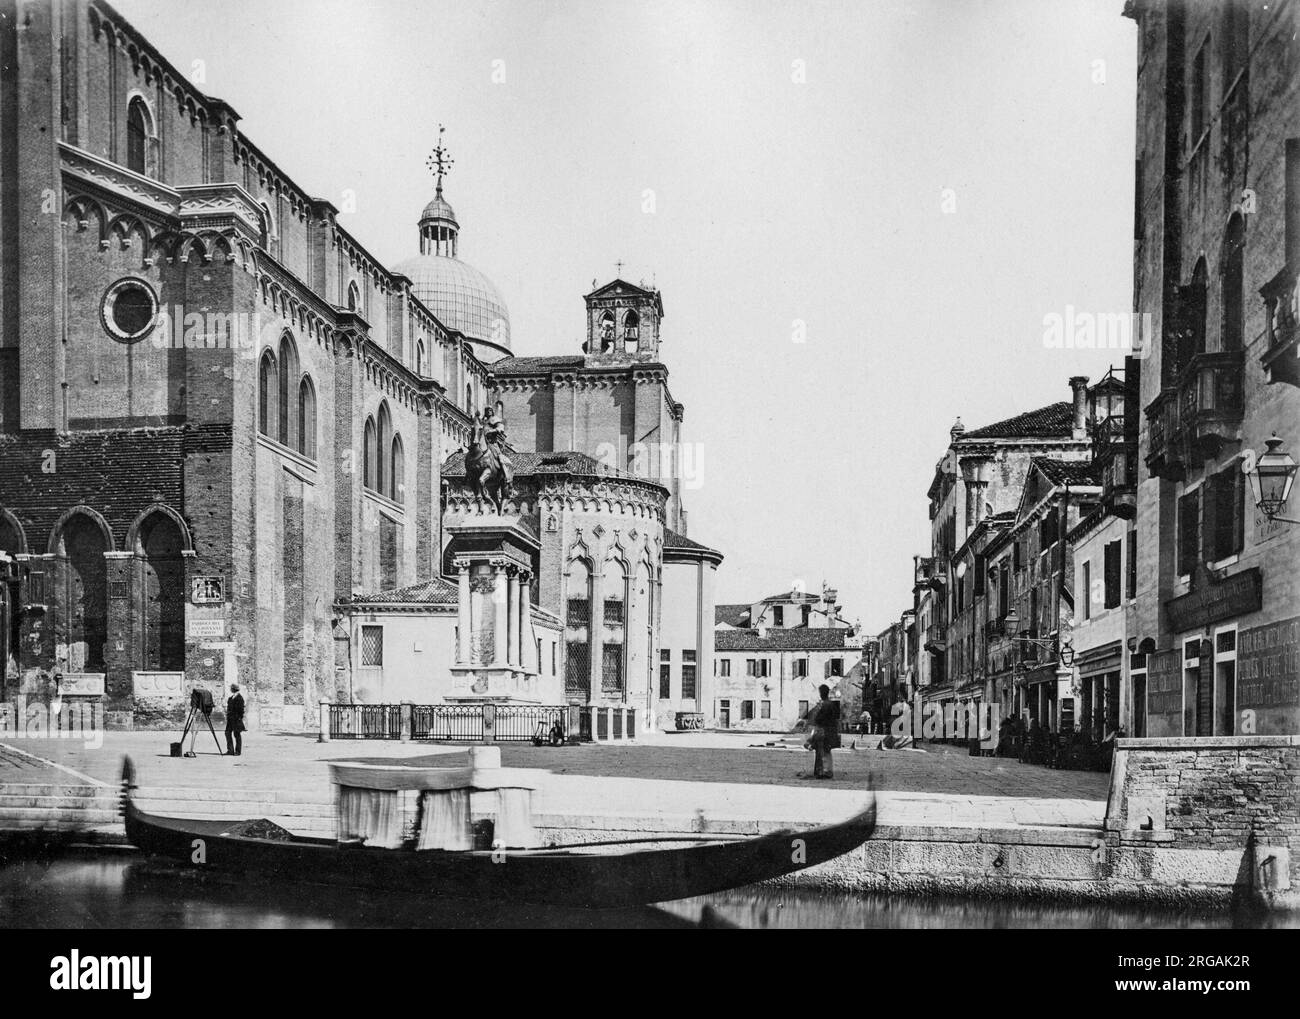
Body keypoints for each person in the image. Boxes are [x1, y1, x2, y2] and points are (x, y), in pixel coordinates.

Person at [798, 685, 839, 779]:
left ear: (822, 693)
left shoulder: (826, 705)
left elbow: (820, 719)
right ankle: (827, 772)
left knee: (821, 752)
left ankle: (822, 772)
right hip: (829, 732)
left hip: (824, 732)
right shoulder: (830, 704)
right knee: (826, 752)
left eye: (820, 692)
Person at [225, 683, 245, 756]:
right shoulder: (230, 698)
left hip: (236, 720)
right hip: (230, 719)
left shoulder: (240, 698)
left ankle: (237, 751)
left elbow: (241, 710)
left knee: (237, 735)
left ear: (233, 689)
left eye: (231, 688)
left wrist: (239, 718)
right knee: (227, 733)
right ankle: (230, 750)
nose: (230, 689)